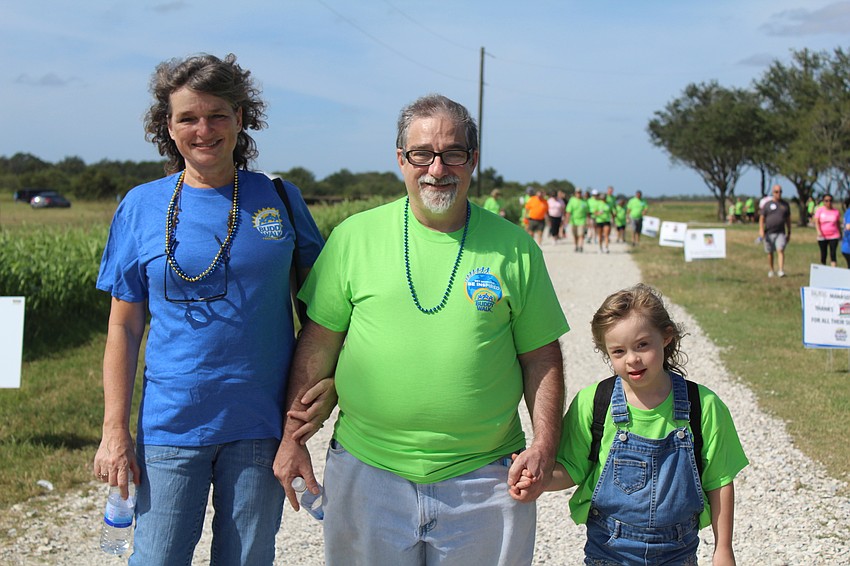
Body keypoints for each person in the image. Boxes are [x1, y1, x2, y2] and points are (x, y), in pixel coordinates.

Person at [273, 93, 570, 565]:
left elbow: (541, 356)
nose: (437, 168)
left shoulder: (515, 249)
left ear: (472, 159)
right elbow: (318, 340)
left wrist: (544, 445)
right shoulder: (355, 236)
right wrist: (292, 440)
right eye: (422, 154)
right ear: (401, 159)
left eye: (453, 153)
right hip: (368, 473)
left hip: (487, 480)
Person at [93, 53, 328, 565]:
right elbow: (124, 326)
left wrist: (306, 416)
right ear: (168, 127)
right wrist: (115, 432)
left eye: (218, 114)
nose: (205, 129)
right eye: (188, 118)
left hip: (260, 426)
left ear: (241, 118)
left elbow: (321, 319)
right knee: (157, 558)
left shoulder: (281, 198)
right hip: (172, 426)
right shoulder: (140, 206)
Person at [513, 284, 748, 566]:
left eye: (642, 345)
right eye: (619, 352)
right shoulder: (594, 402)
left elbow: (719, 482)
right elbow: (572, 470)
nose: (632, 359)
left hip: (678, 553)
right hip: (609, 552)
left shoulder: (703, 406)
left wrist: (724, 548)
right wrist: (539, 482)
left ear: (666, 337)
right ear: (606, 354)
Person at [759, 184, 792, 278]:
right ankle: (771, 269)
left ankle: (781, 270)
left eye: (780, 192)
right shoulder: (767, 205)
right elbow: (762, 218)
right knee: (770, 252)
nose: (778, 194)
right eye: (776, 192)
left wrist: (789, 232)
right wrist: (761, 230)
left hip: (781, 232)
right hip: (769, 232)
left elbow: (788, 219)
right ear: (773, 192)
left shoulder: (785, 205)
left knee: (780, 249)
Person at [814, 193, 841, 267]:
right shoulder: (820, 210)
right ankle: (823, 269)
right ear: (823, 201)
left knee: (833, 253)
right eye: (826, 201)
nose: (828, 202)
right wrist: (818, 231)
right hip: (822, 236)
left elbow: (838, 223)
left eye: (830, 200)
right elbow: (816, 222)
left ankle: (833, 270)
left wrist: (840, 233)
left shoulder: (836, 212)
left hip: (834, 235)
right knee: (823, 253)